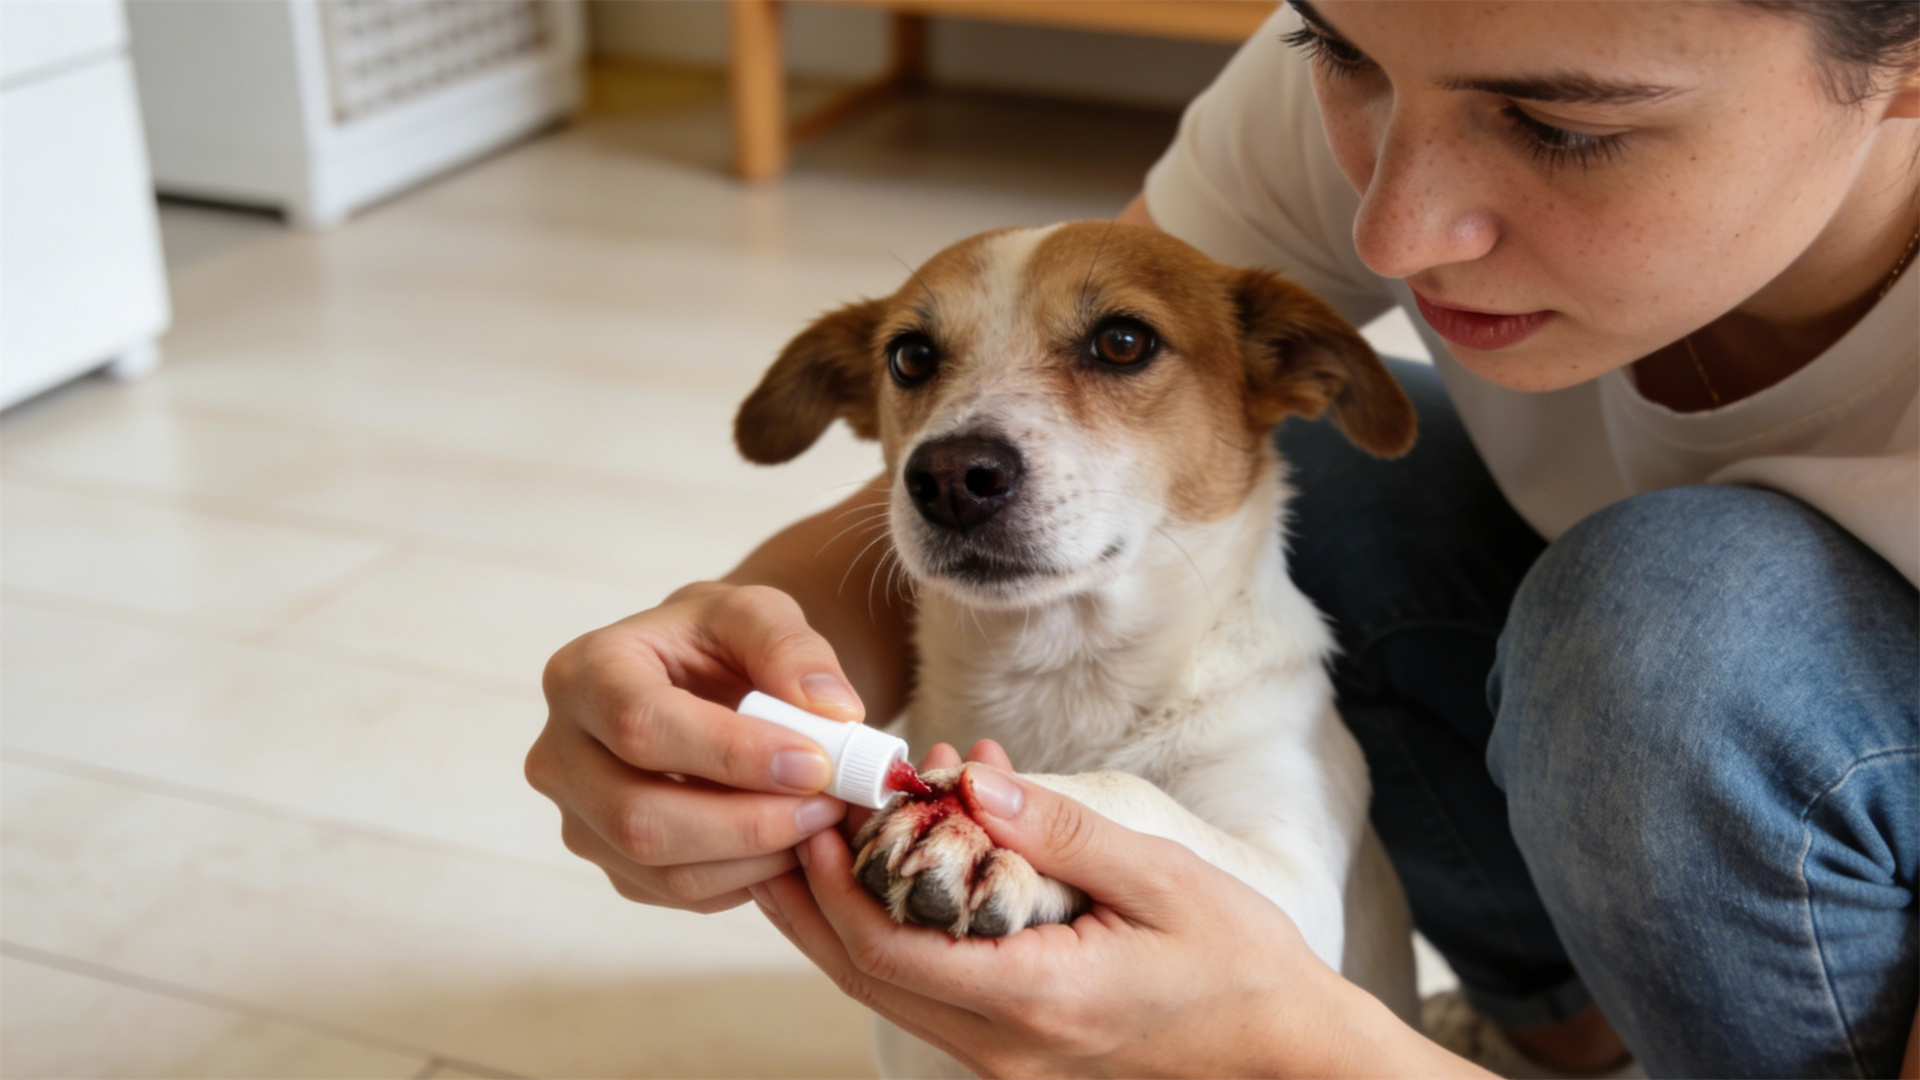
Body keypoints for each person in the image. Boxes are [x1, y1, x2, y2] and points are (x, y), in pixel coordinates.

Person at [525, 2, 1920, 1075]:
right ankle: (1558, 1029)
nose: (1390, 230)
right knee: (1329, 490)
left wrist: (1316, 1047)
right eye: (1344, 54)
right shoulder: (1421, 31)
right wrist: (725, 682)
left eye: (1564, 123)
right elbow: (1031, 415)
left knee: (1670, 626)